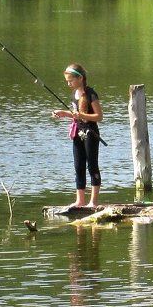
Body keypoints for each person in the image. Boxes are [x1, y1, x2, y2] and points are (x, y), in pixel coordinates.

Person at [51, 63, 103, 207]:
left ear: (80, 78)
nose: (69, 83)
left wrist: (81, 114)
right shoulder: (74, 94)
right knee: (78, 166)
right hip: (77, 133)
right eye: (67, 81)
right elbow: (76, 115)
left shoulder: (91, 93)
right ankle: (80, 201)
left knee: (92, 166)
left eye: (71, 80)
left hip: (90, 133)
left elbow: (99, 116)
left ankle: (93, 202)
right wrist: (63, 113)